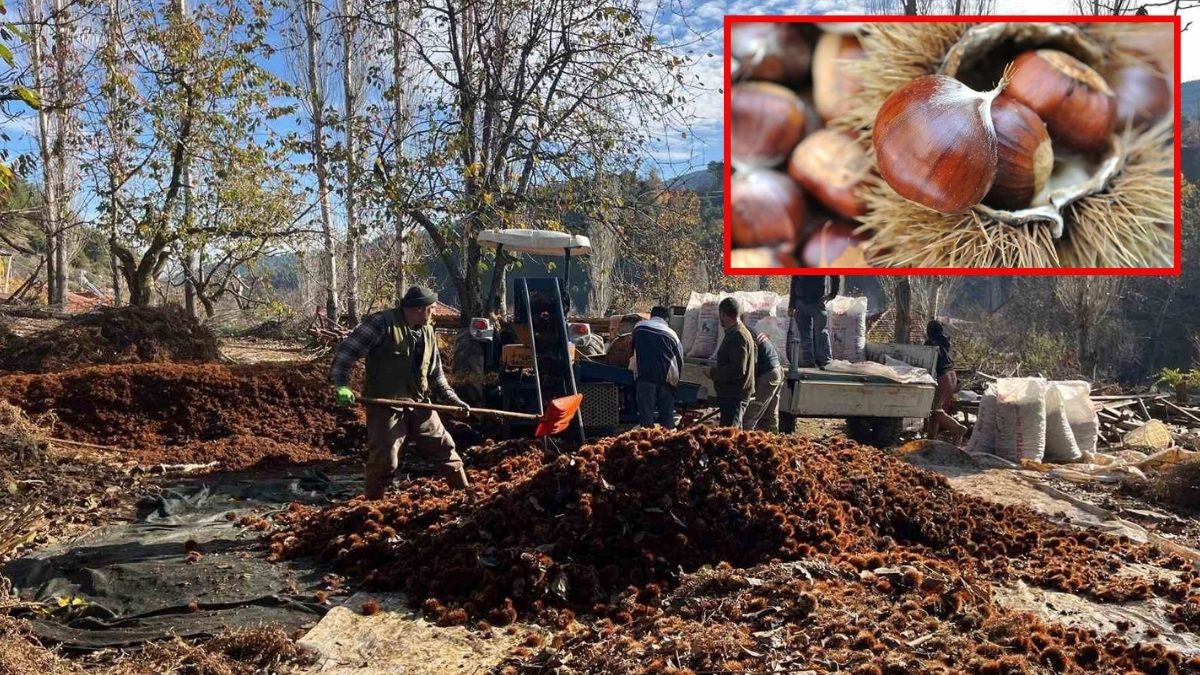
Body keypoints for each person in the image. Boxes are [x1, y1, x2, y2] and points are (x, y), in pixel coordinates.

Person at [330, 285, 472, 499]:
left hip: (420, 403)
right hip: (386, 405)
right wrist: (341, 384)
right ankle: (372, 506)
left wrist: (454, 401)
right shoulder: (381, 323)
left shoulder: (428, 332)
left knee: (444, 449)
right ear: (418, 309)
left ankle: (467, 495)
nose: (434, 313)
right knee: (386, 461)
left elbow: (436, 376)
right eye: (432, 309)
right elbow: (345, 353)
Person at [632, 306, 684, 429]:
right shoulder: (672, 335)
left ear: (651, 316)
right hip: (666, 381)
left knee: (646, 418)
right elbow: (680, 360)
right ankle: (668, 443)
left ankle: (648, 442)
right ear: (666, 319)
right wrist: (675, 384)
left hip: (645, 379)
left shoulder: (639, 327)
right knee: (667, 417)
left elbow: (632, 350)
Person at [708, 297, 756, 428]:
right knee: (733, 434)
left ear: (723, 314)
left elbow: (738, 369)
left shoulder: (738, 335)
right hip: (732, 394)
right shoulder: (736, 332)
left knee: (729, 435)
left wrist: (712, 373)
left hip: (734, 395)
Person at [925, 319, 967, 444]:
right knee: (935, 412)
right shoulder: (945, 341)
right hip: (952, 376)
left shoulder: (931, 343)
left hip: (943, 377)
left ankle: (958, 428)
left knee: (935, 411)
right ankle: (930, 442)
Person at [787, 275, 840, 368]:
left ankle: (825, 361)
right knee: (805, 335)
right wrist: (791, 305)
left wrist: (832, 295)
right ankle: (808, 361)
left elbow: (835, 275)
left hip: (817, 303)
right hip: (800, 302)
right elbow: (794, 281)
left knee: (821, 333)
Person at [744, 327, 784, 432]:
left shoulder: (743, 334)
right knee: (769, 417)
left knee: (748, 418)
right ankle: (773, 444)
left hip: (767, 375)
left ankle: (745, 443)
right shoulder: (751, 331)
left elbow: (753, 364)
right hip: (777, 371)